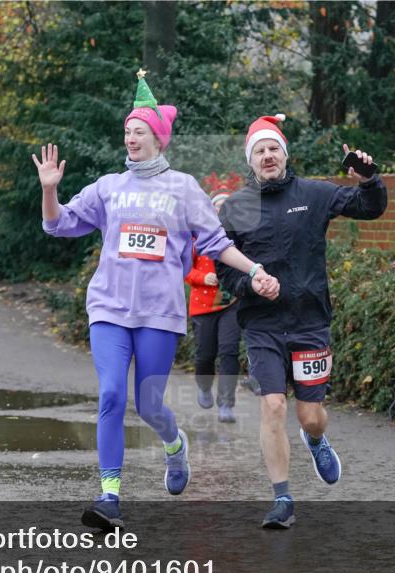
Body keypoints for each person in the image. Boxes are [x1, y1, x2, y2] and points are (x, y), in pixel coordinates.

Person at [33, 72, 280, 531]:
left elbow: (216, 243)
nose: (131, 138)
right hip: (108, 308)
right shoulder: (108, 187)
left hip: (159, 314)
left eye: (139, 131)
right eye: (127, 131)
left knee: (148, 405)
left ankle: (173, 445)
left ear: (158, 139)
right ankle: (110, 496)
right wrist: (50, 189)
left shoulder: (184, 189)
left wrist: (255, 269)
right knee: (110, 394)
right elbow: (58, 224)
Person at [216, 114, 388, 529]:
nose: (268, 155)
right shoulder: (237, 207)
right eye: (259, 150)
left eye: (274, 148)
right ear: (251, 161)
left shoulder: (312, 193)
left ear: (285, 154)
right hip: (262, 326)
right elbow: (224, 271)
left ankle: (315, 439)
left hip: (310, 322)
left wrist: (368, 178)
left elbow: (370, 207)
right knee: (273, 405)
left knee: (309, 414)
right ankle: (282, 499)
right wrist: (251, 286)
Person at [185, 172, 245, 423]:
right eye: (218, 205)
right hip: (202, 304)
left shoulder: (239, 236)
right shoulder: (197, 236)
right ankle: (203, 385)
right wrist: (202, 278)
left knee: (229, 351)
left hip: (230, 303)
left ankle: (226, 404)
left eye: (226, 206)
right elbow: (184, 268)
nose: (222, 210)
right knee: (205, 354)